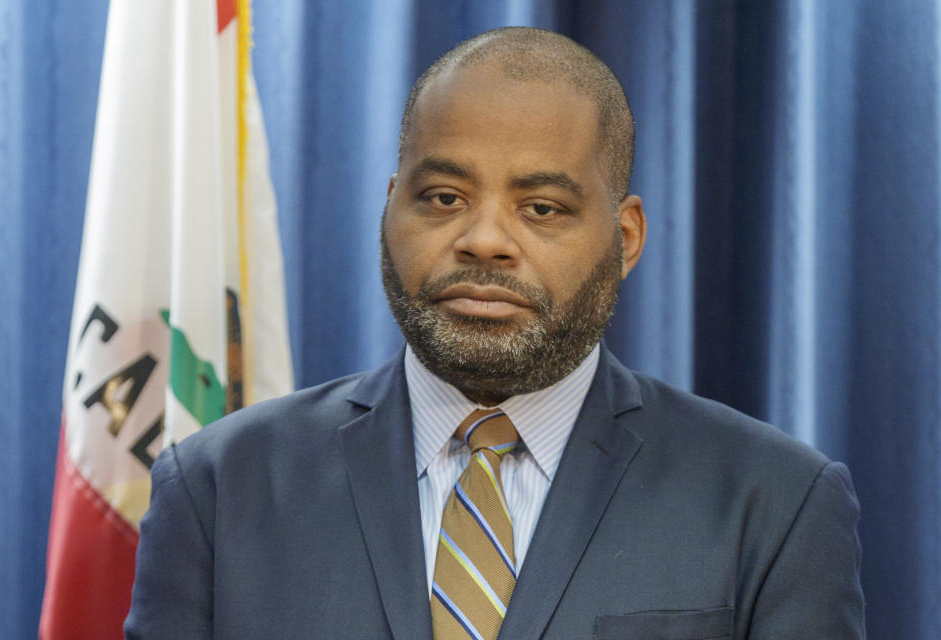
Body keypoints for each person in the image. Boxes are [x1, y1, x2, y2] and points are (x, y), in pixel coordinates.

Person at [125, 27, 865, 639]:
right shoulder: (218, 489)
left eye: (541, 208)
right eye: (443, 197)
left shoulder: (776, 502)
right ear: (391, 208)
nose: (484, 240)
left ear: (627, 236)